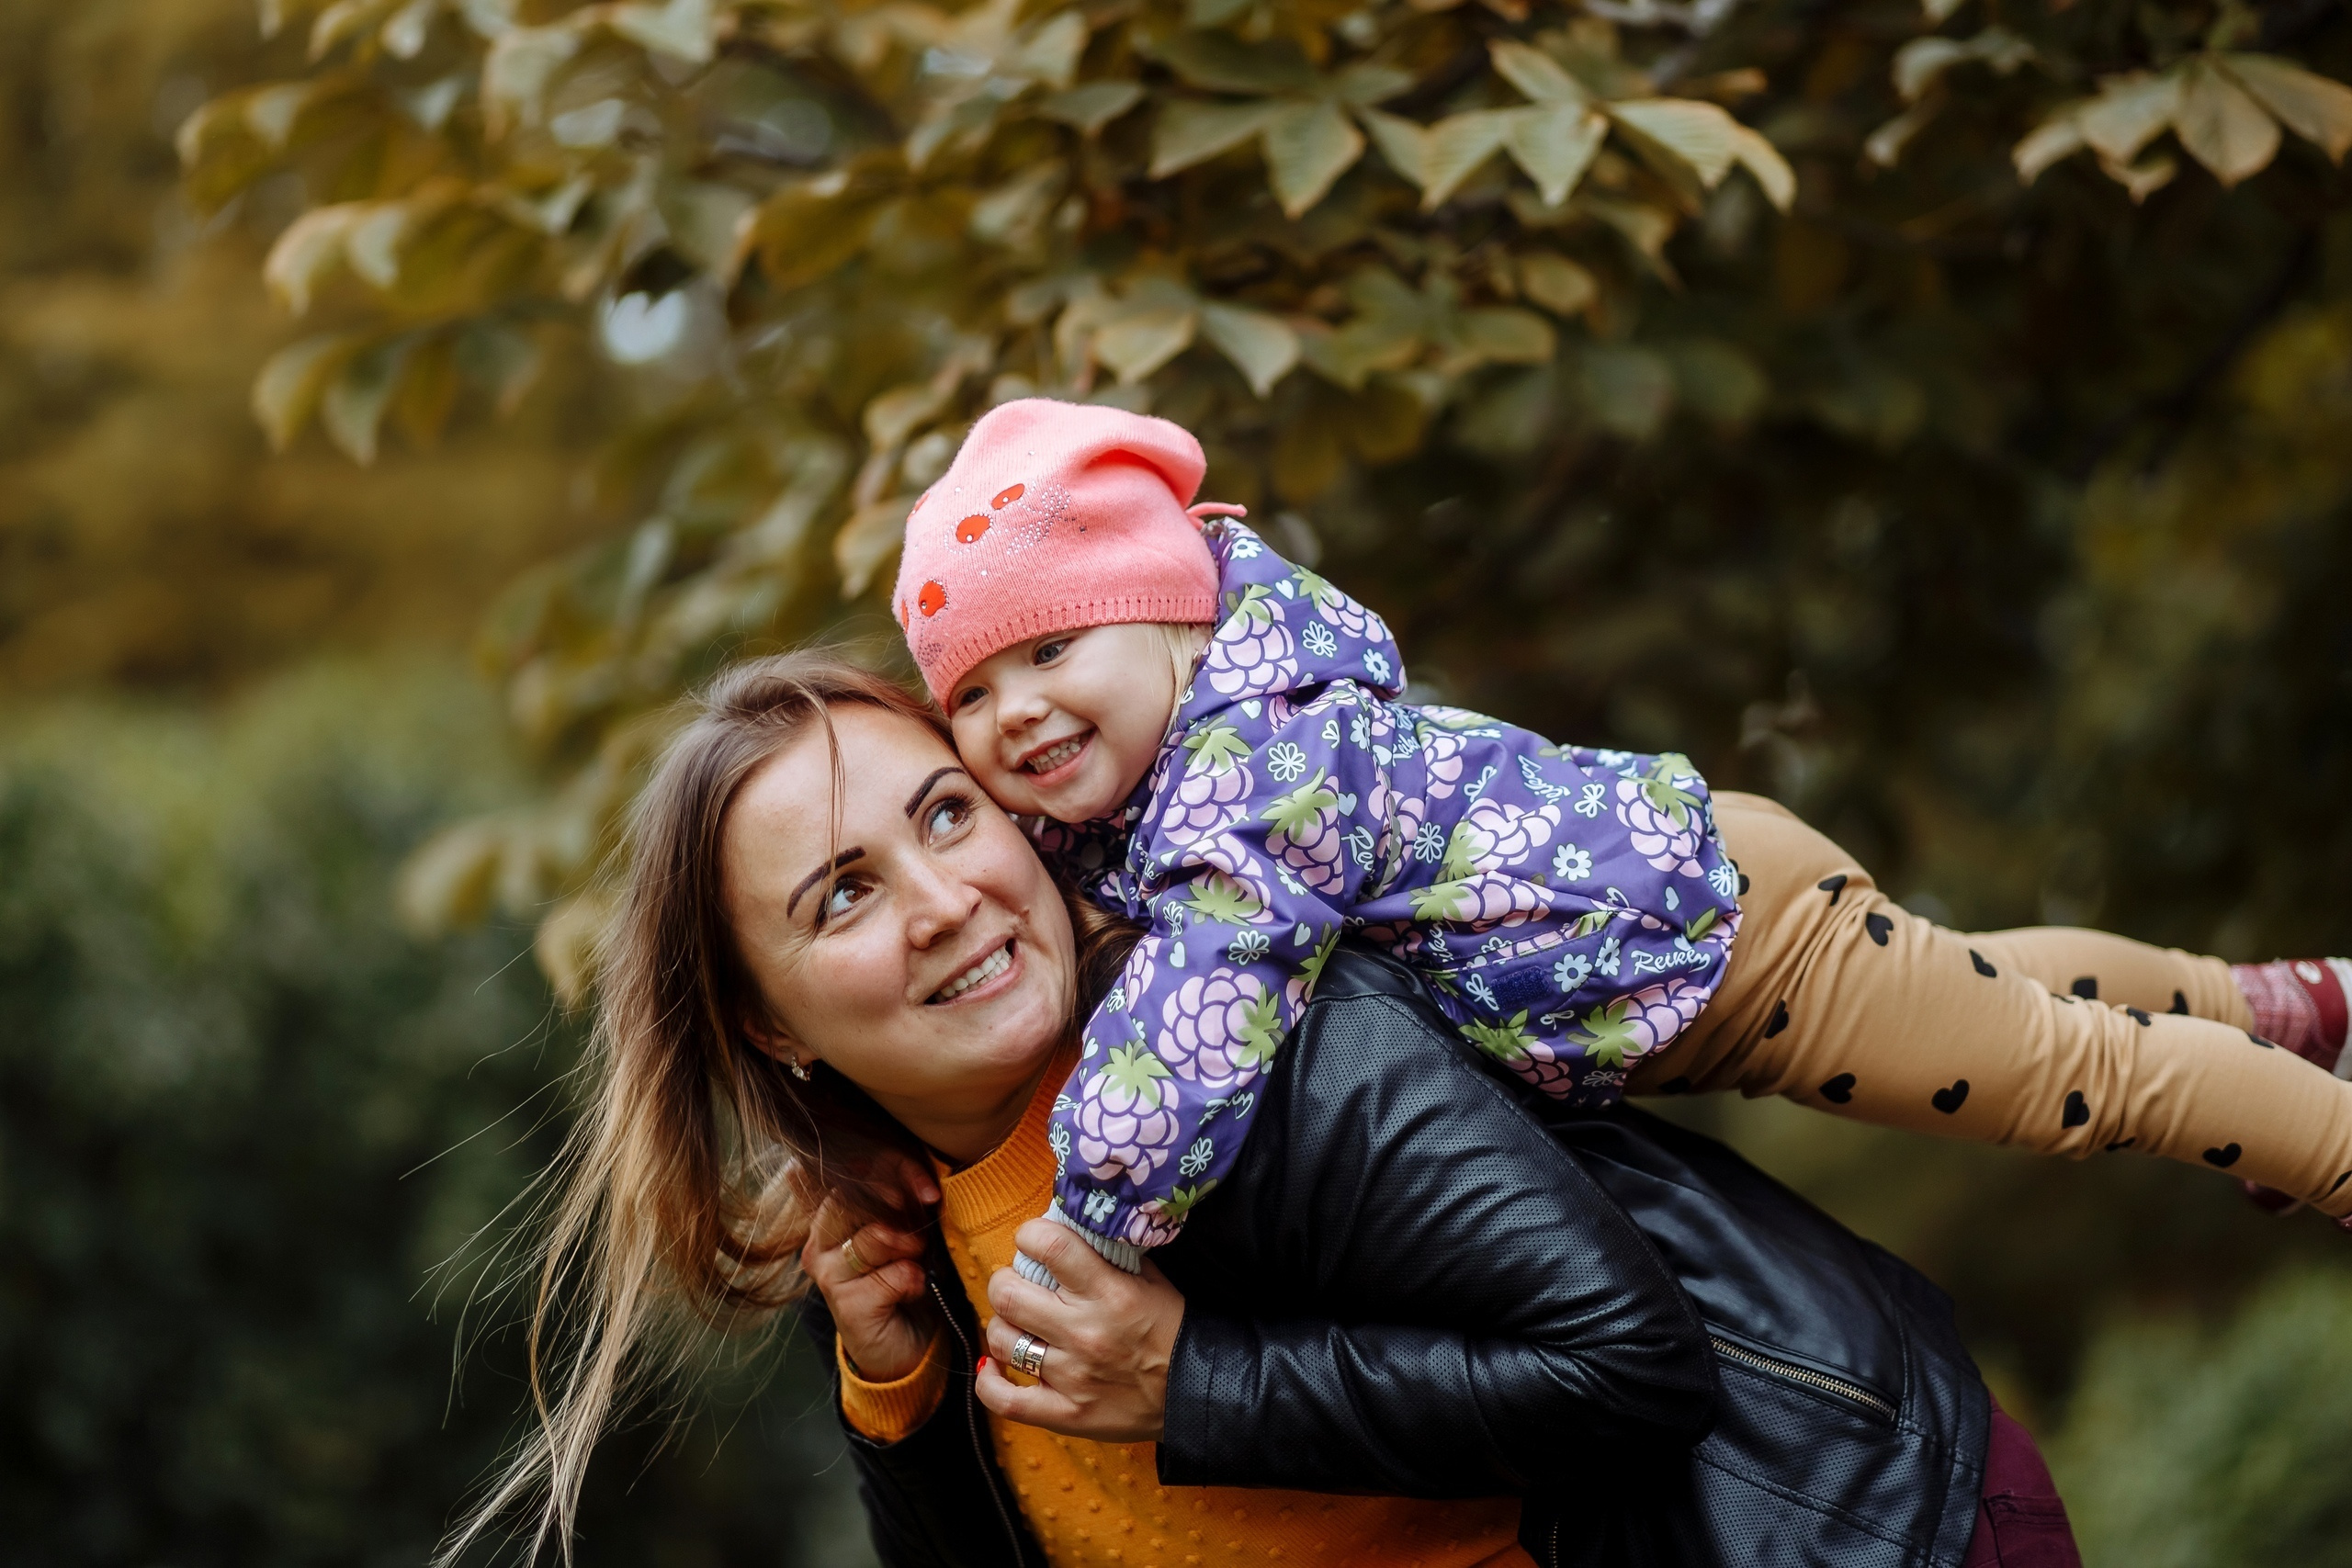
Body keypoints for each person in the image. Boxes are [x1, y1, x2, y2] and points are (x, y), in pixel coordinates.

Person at [443, 651, 2079, 1568]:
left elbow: (1627, 1368)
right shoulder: (889, 1237)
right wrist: (898, 1400)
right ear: (762, 1024)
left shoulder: (1244, 1048)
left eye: (950, 812)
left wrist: (1191, 1379)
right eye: (844, 895)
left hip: (1861, 1525)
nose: (946, 898)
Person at [889, 397, 2352, 1280]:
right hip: (1678, 943)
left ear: (1171, 618)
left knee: (2069, 1080)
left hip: (1731, 953)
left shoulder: (1263, 774)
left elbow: (1205, 1003)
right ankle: (2277, 1008)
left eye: (1053, 649)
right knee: (1985, 984)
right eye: (972, 692)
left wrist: (1092, 1213)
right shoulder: (1147, 803)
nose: (1015, 711)